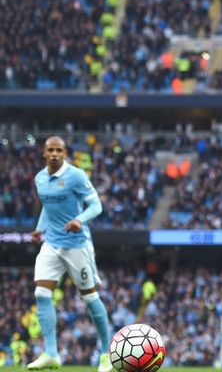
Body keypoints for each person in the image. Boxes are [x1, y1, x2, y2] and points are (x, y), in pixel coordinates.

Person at [28, 136, 112, 372]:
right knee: (42, 293)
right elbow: (47, 205)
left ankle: (106, 355)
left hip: (77, 244)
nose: (54, 154)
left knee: (90, 298)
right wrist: (39, 229)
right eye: (50, 150)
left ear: (65, 153)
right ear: (44, 153)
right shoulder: (40, 178)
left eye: (59, 150)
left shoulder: (75, 176)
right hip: (52, 243)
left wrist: (79, 219)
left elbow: (96, 206)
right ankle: (52, 354)